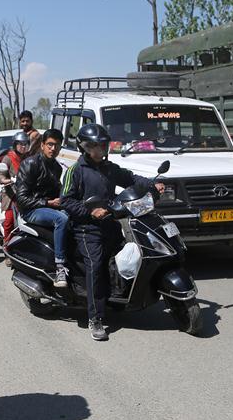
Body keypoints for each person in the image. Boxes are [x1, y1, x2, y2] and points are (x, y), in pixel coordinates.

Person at [61, 123, 164, 341]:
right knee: (96, 268)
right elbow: (66, 201)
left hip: (111, 225)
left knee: (123, 259)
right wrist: (90, 212)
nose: (100, 150)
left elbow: (132, 179)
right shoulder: (75, 171)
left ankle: (117, 298)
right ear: (84, 148)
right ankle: (95, 318)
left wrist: (153, 185)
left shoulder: (110, 168)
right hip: (86, 229)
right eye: (94, 147)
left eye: (103, 146)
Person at [13, 128, 69, 288]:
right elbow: (22, 199)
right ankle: (59, 268)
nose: (53, 148)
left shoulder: (57, 167)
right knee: (61, 219)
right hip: (30, 211)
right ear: (42, 145)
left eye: (57, 145)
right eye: (50, 144)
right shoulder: (30, 164)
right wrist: (48, 203)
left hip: (47, 208)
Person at [0, 131, 31, 245]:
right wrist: (6, 180)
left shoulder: (30, 157)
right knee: (9, 220)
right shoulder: (8, 158)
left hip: (28, 193)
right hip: (11, 194)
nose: (23, 146)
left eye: (25, 143)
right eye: (20, 144)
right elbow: (1, 175)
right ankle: (6, 245)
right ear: (15, 145)